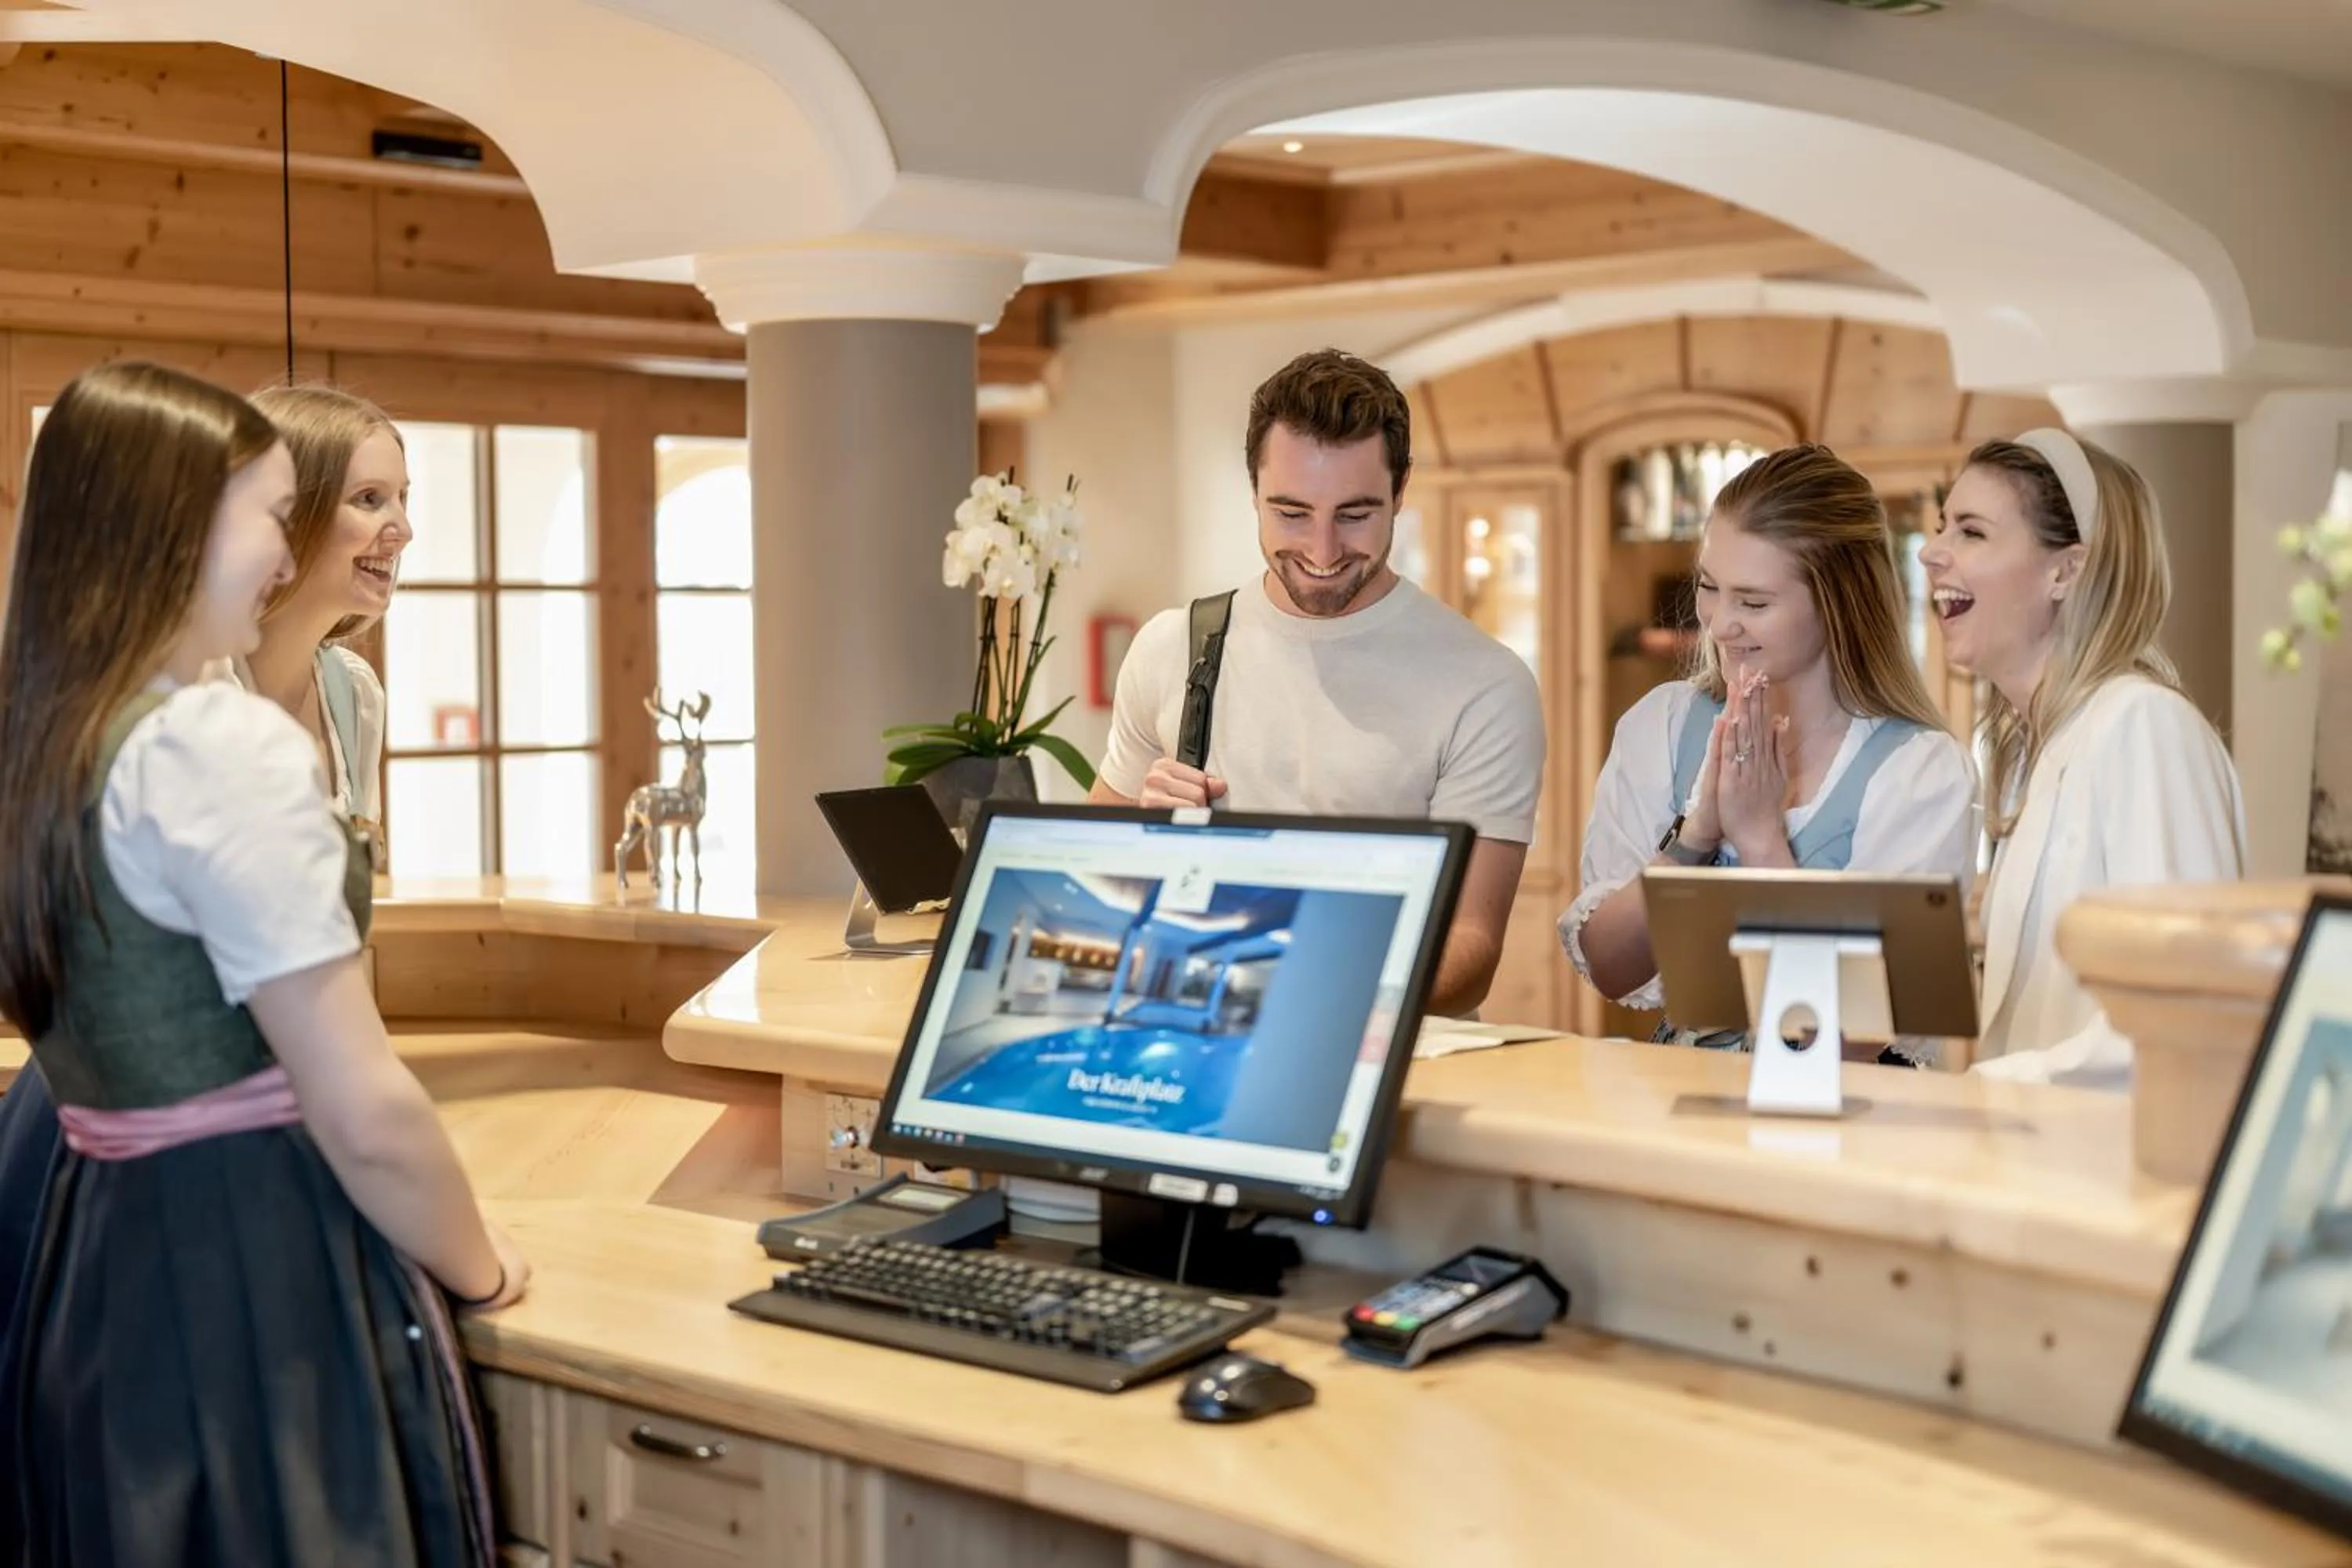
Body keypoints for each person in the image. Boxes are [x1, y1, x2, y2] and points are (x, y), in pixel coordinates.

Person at [0, 360, 524, 1563]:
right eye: (268, 516)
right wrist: (481, 1267)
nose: (284, 556)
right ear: (174, 526)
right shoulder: (213, 743)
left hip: (100, 1230)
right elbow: (366, 1113)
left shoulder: (62, 726)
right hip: (243, 1244)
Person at [1089, 348, 1545, 1016]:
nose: (1323, 551)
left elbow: (1468, 953)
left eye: (1355, 515)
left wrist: (1268, 993)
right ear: (1253, 491)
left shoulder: (1485, 685)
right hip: (1184, 1034)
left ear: (1400, 491)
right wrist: (1142, 840)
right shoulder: (1171, 649)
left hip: (1385, 1056)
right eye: (1292, 513)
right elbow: (1090, 890)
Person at [1559, 444, 1977, 1047]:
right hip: (1681, 1096)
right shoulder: (1664, 724)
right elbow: (1609, 967)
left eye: (1753, 602)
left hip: (1848, 1103)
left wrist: (1760, 841)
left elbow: (1851, 1037)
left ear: (1839, 604)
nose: (1719, 622)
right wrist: (1696, 835)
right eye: (1709, 587)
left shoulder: (1919, 772)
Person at [1923, 429, 2245, 1086]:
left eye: (1971, 532)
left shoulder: (2143, 725)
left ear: (2066, 572)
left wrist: (1986, 1091)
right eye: (1941, 528)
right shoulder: (2035, 754)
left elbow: (2180, 1002)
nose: (1932, 552)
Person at [219, 383, 407, 862]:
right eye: (370, 499)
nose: (404, 531)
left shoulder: (356, 694)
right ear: (288, 513)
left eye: (402, 498)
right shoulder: (196, 688)